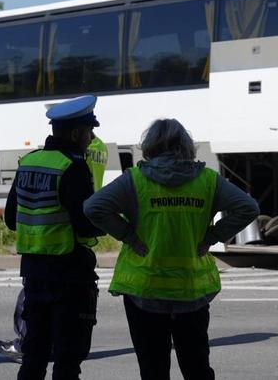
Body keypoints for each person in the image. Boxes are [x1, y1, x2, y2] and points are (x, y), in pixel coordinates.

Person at [84, 118, 259, 380]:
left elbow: (92, 207)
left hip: (145, 288)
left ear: (150, 146)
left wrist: (128, 235)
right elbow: (249, 208)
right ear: (187, 146)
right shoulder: (208, 181)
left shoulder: (135, 181)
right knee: (196, 366)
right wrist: (213, 236)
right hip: (191, 289)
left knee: (153, 369)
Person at [4, 95, 103, 379]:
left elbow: (11, 219)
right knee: (67, 360)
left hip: (34, 274)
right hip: (69, 275)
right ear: (76, 133)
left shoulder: (29, 162)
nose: (91, 137)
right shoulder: (73, 166)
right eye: (89, 131)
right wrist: (107, 223)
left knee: (33, 357)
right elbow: (84, 226)